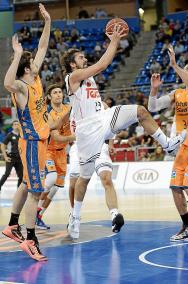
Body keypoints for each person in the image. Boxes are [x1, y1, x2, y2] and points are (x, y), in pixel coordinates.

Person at [62, 25, 186, 239]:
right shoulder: (72, 77)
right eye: (81, 57)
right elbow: (103, 64)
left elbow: (98, 79)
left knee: (141, 111)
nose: (84, 58)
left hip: (104, 118)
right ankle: (75, 215)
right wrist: (115, 39)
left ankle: (167, 144)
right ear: (73, 64)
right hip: (87, 130)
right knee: (84, 178)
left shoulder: (87, 78)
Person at [2, 4, 53, 261]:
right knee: (36, 192)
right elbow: (7, 83)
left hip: (39, 142)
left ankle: (12, 224)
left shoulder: (35, 79)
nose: (37, 62)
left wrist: (48, 22)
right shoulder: (21, 86)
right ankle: (30, 239)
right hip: (32, 142)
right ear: (26, 67)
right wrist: (17, 55)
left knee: (27, 184)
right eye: (31, 61)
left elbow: (43, 47)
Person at [148, 45, 188, 241]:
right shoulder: (177, 93)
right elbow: (153, 107)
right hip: (183, 147)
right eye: (184, 69)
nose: (185, 71)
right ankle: (187, 226)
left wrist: (174, 65)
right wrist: (154, 90)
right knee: (176, 186)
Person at [68, 107, 124, 235]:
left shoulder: (101, 104)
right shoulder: (72, 105)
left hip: (99, 145)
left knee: (107, 179)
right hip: (79, 146)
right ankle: (74, 215)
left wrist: (111, 143)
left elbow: (112, 124)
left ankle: (114, 215)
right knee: (74, 184)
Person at [36, 84, 75, 229]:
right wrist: (75, 137)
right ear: (49, 97)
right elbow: (57, 138)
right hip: (49, 150)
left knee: (55, 188)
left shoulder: (69, 108)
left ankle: (39, 216)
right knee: (51, 178)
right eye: (55, 92)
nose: (59, 94)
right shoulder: (48, 114)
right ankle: (35, 208)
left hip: (62, 153)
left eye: (60, 92)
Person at [0, 120, 23, 192]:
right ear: (12, 126)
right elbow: (3, 145)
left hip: (19, 158)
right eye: (15, 124)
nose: (16, 125)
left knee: (21, 176)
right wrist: (5, 156)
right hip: (11, 157)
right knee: (7, 174)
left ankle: (18, 191)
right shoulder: (10, 135)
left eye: (17, 124)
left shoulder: (22, 135)